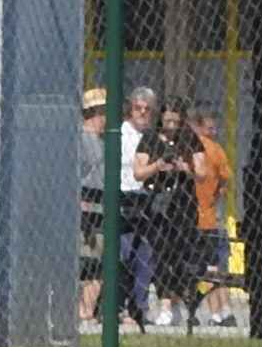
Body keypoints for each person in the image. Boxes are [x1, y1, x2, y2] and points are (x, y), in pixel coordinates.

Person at [140, 100, 198, 328]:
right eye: (167, 120)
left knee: (181, 257)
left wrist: (185, 167)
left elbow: (202, 173)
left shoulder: (190, 140)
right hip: (158, 205)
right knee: (161, 255)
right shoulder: (151, 139)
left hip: (183, 206)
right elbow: (139, 172)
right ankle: (164, 305)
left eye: (176, 121)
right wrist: (158, 166)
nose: (171, 125)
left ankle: (175, 304)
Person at [114, 86, 159, 332]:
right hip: (124, 199)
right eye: (137, 108)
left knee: (145, 256)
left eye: (147, 109)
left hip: (146, 201)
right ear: (130, 109)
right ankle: (119, 308)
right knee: (123, 255)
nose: (142, 113)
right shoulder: (121, 133)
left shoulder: (153, 136)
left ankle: (139, 307)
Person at [189, 107, 238, 327]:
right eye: (211, 127)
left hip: (196, 218)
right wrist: (217, 193)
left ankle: (212, 312)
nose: (214, 131)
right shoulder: (217, 150)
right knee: (217, 268)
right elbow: (226, 181)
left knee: (203, 269)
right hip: (212, 217)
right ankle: (224, 312)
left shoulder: (190, 149)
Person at [77, 88, 109, 328]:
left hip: (101, 210)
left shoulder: (103, 141)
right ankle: (82, 309)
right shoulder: (81, 139)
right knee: (85, 261)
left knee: (98, 263)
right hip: (85, 210)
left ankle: (87, 310)